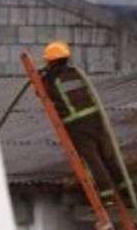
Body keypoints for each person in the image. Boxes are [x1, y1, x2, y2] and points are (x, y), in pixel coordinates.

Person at [40, 41, 123, 198]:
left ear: (51, 61)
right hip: (95, 118)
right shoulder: (76, 73)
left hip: (77, 123)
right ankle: (123, 185)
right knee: (107, 153)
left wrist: (41, 76)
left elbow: (45, 93)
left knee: (92, 159)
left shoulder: (51, 79)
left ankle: (107, 195)